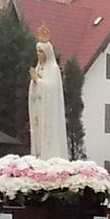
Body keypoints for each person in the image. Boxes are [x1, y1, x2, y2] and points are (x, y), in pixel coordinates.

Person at [27, 28, 68, 159]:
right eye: (37, 51)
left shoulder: (53, 69)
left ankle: (49, 156)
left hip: (49, 111)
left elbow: (52, 89)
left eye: (41, 51)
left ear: (47, 52)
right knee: (38, 133)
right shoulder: (39, 67)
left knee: (48, 134)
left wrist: (37, 81)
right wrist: (34, 83)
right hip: (39, 108)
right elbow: (34, 90)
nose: (38, 54)